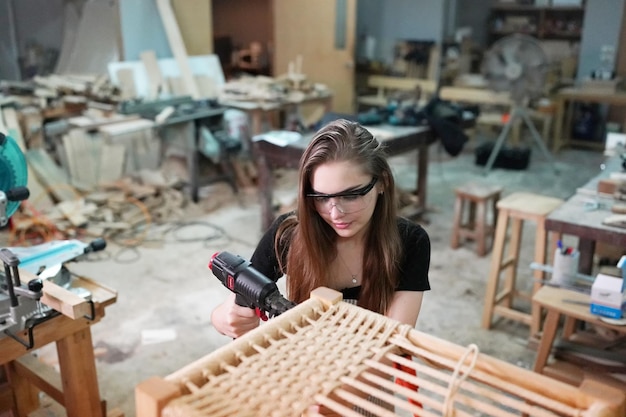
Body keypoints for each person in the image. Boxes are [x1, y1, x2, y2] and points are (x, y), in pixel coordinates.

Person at [211, 118, 431, 339]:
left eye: (351, 195)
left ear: (382, 182)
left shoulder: (410, 241)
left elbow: (393, 340)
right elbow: (233, 305)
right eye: (321, 198)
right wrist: (226, 317)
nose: (335, 214)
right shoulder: (288, 234)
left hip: (371, 364)